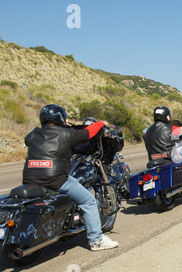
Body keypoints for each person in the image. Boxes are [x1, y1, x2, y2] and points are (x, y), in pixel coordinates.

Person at [22, 104, 119, 251]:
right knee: (88, 201)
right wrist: (100, 123)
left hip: (30, 178)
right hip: (55, 179)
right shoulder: (66, 134)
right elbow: (89, 132)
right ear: (61, 118)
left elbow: (28, 140)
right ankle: (96, 240)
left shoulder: (34, 134)